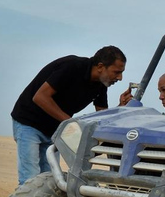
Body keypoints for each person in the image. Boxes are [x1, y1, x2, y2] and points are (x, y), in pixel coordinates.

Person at [11, 46, 132, 185]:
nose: (120, 78)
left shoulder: (100, 84)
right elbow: (40, 97)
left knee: (50, 179)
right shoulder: (72, 67)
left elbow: (102, 116)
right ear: (100, 66)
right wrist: (72, 124)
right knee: (29, 178)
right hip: (29, 123)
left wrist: (120, 108)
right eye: (117, 72)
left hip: (53, 130)